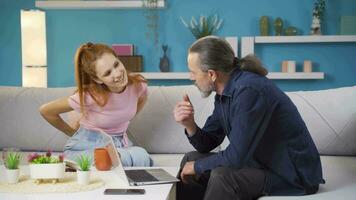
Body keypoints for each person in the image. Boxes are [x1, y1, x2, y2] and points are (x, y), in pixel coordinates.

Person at [173, 36, 325, 200]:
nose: (191, 77)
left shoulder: (249, 90)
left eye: (193, 72)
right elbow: (208, 144)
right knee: (191, 158)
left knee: (222, 177)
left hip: (291, 175)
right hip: (258, 163)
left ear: (212, 74)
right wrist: (190, 125)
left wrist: (198, 167)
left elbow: (236, 156)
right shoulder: (224, 94)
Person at [40, 42, 151, 167]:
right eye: (107, 73)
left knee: (142, 156)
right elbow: (46, 111)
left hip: (121, 143)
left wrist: (125, 117)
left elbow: (140, 100)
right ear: (98, 79)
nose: (117, 73)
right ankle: (112, 160)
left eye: (116, 64)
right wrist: (71, 133)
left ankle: (116, 159)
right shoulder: (91, 96)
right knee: (114, 160)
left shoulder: (138, 85)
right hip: (88, 145)